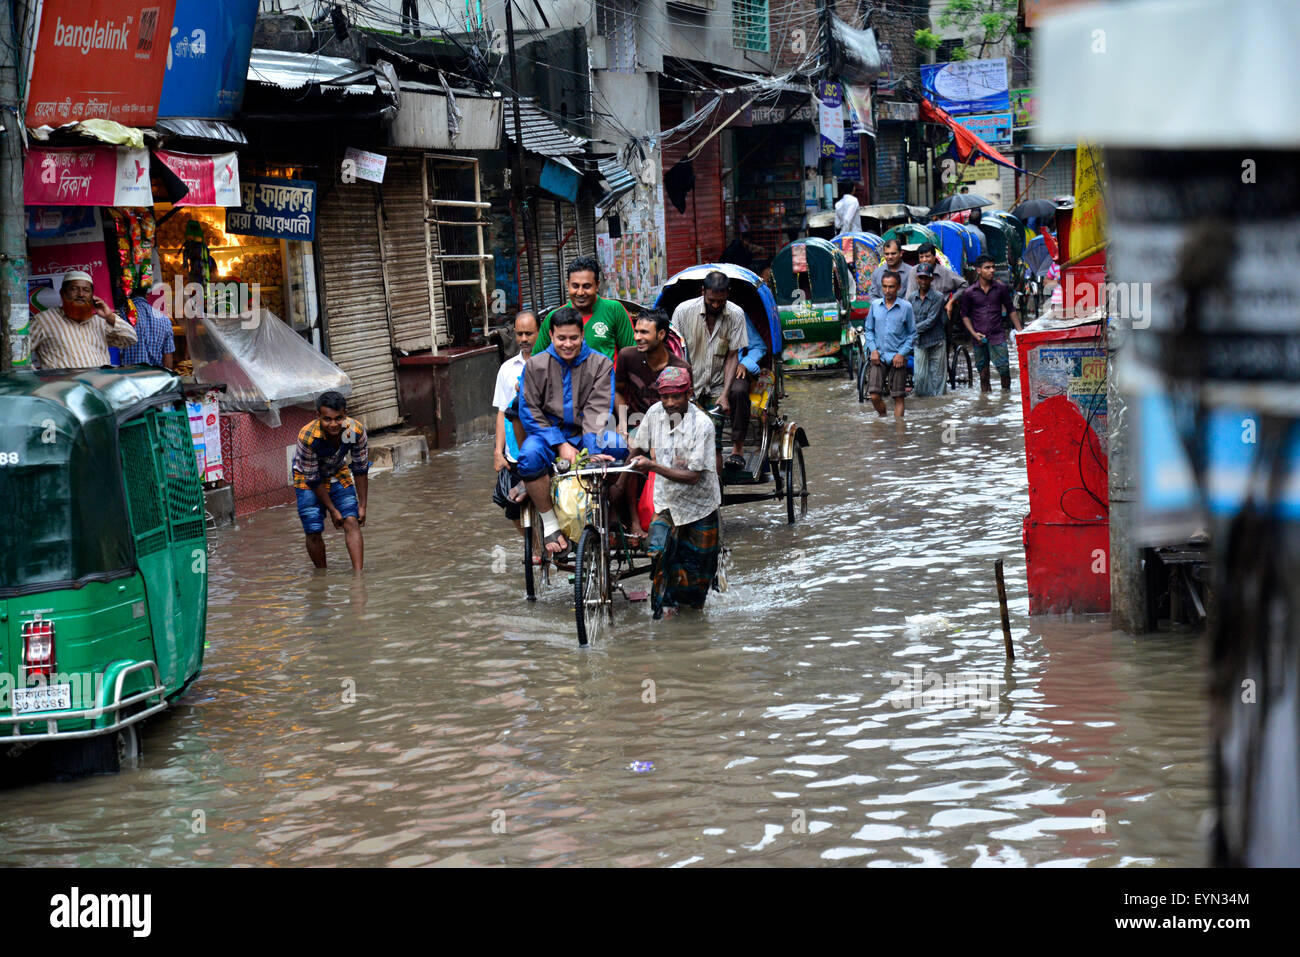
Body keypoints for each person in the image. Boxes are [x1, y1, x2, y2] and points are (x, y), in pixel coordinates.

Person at [518, 307, 626, 555]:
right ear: (552, 336)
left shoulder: (600, 364)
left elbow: (597, 411)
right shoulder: (535, 366)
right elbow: (530, 411)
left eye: (573, 338)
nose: (567, 344)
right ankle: (550, 524)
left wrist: (591, 452)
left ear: (582, 335)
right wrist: (560, 444)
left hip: (588, 434)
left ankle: (603, 507)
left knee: (617, 447)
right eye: (561, 338)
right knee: (529, 456)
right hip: (546, 435)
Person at [628, 366, 722, 620]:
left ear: (688, 394)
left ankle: (694, 619)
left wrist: (653, 466)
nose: (669, 403)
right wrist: (621, 473)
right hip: (667, 502)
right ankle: (664, 612)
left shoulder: (702, 425)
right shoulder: (654, 413)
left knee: (698, 571)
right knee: (658, 551)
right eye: (665, 396)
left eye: (676, 397)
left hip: (699, 506)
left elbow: (693, 477)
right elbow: (639, 445)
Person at [612, 308, 690, 540]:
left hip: (670, 427)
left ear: (661, 335)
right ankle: (634, 520)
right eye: (636, 331)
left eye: (644, 332)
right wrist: (623, 424)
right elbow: (618, 391)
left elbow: (684, 411)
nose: (637, 337)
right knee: (628, 450)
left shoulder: (680, 368)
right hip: (636, 423)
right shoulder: (627, 356)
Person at [669, 270, 752, 470]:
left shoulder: (736, 314)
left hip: (720, 378)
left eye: (720, 302)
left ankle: (737, 449)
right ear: (703, 291)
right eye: (712, 300)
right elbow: (674, 351)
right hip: (691, 378)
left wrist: (724, 395)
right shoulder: (683, 311)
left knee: (739, 392)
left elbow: (733, 355)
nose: (715, 305)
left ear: (728, 294)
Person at [293, 391, 370, 571]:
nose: (334, 424)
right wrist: (333, 509)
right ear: (318, 416)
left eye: (339, 418)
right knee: (313, 528)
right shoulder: (308, 436)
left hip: (336, 470)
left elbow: (360, 468)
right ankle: (322, 575)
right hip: (307, 477)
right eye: (327, 419)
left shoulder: (354, 431)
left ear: (346, 414)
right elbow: (312, 478)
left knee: (352, 519)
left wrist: (363, 505)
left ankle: (359, 578)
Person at [531, 256, 635, 361]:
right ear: (568, 285)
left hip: (608, 377)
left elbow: (631, 355)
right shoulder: (553, 317)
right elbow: (536, 361)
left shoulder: (615, 310)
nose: (580, 292)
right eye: (575, 286)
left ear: (597, 285)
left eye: (586, 286)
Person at [29, 271, 138, 370]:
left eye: (86, 290)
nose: (81, 294)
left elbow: (131, 338)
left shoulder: (99, 321)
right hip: (65, 389)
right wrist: (38, 378)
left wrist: (109, 315)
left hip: (99, 387)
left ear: (92, 296)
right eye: (74, 289)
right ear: (63, 293)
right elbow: (19, 354)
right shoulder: (43, 320)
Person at [492, 311, 539, 527]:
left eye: (528, 334)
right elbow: (502, 412)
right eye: (519, 334)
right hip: (513, 454)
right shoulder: (506, 370)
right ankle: (533, 549)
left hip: (541, 447)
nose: (523, 339)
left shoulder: (549, 364)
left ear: (539, 333)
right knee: (514, 510)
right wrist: (498, 452)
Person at [958, 254, 1022, 392]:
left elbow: (1011, 310)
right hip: (979, 337)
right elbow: (965, 316)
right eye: (987, 268)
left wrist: (1020, 332)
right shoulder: (969, 293)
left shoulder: (1001, 288)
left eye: (993, 267)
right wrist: (974, 334)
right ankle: (986, 403)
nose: (992, 270)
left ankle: (1006, 397)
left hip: (998, 335)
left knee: (1004, 370)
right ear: (978, 270)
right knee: (983, 374)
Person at [864, 271, 915, 419]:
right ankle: (884, 418)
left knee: (898, 397)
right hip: (879, 356)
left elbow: (912, 334)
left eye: (891, 287)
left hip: (898, 357)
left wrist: (901, 353)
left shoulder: (906, 307)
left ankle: (899, 430)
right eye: (885, 287)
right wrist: (872, 350)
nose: (887, 291)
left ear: (898, 287)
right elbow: (869, 330)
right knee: (874, 395)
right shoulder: (875, 305)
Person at [908, 263, 948, 398]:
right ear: (917, 279)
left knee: (937, 379)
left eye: (926, 278)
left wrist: (911, 330)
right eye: (921, 278)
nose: (923, 281)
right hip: (920, 342)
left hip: (936, 341)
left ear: (931, 279)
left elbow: (930, 321)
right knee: (919, 378)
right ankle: (923, 407)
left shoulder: (938, 297)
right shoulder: (912, 298)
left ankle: (937, 407)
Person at [120, 295, 176, 369]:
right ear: (147, 294)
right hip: (156, 378)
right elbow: (168, 364)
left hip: (128, 377)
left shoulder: (120, 316)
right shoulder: (164, 319)